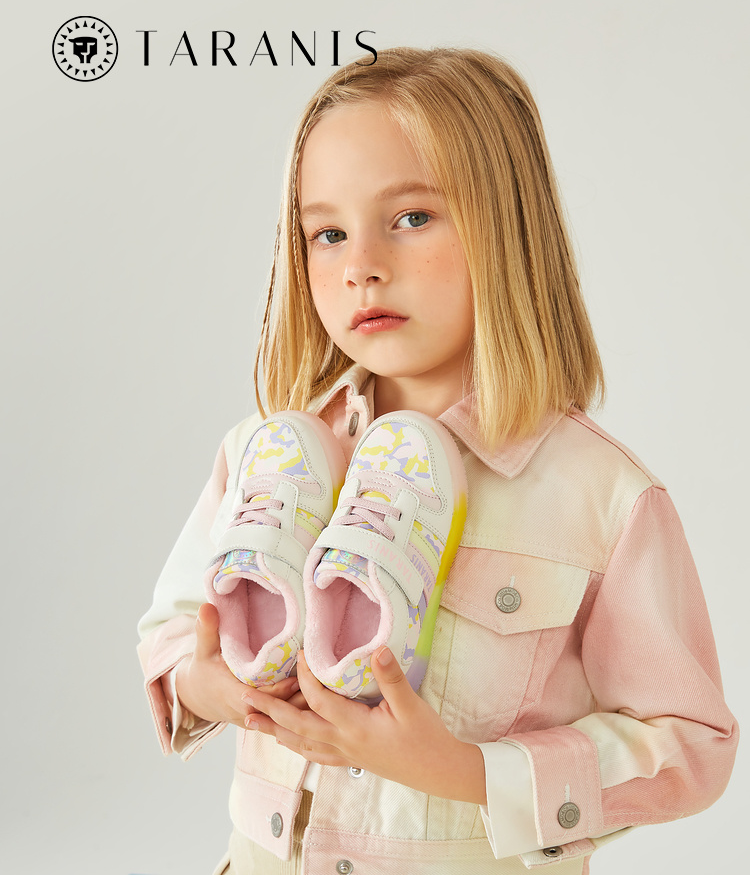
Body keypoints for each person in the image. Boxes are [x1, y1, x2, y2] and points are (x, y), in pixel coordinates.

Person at [137, 47, 738, 875]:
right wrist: (208, 685)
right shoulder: (263, 454)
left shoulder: (601, 496)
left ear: (507, 227)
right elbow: (172, 631)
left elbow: (689, 744)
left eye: (412, 217)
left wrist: (467, 772)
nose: (361, 266)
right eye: (327, 234)